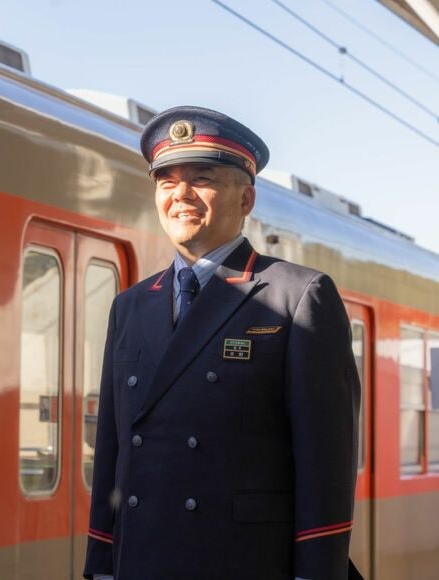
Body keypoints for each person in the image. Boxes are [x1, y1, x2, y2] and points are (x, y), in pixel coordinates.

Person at [83, 106, 361, 580]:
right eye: (166, 181)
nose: (180, 195)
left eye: (202, 178)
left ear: (246, 198)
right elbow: (112, 452)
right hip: (141, 561)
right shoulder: (129, 306)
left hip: (243, 562)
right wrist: (102, 566)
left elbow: (326, 464)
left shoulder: (297, 295)